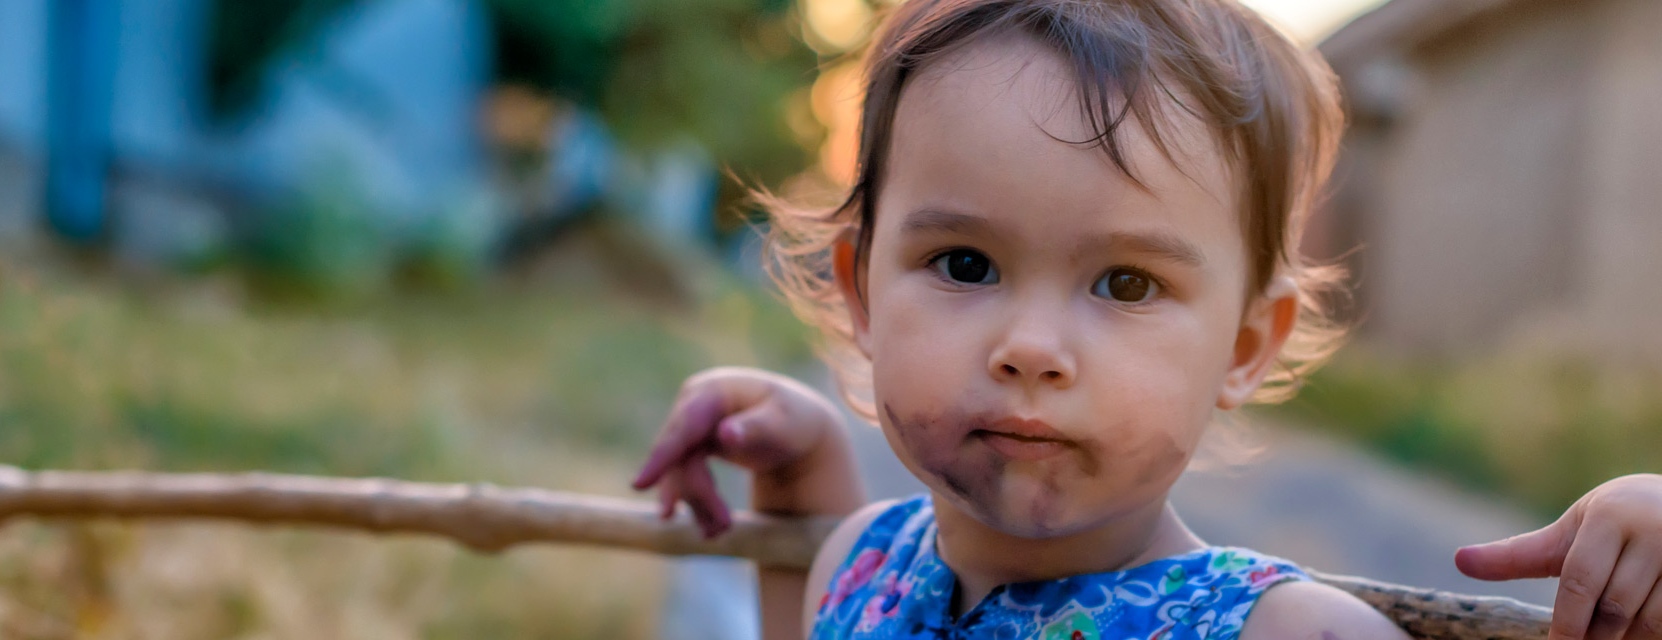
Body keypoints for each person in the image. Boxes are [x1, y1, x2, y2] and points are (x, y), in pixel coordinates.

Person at [628, 0, 1662, 638]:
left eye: (1125, 284)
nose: (1030, 347)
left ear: (1244, 345)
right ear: (860, 293)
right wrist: (795, 476)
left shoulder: (1289, 634)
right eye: (964, 262)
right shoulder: (858, 562)